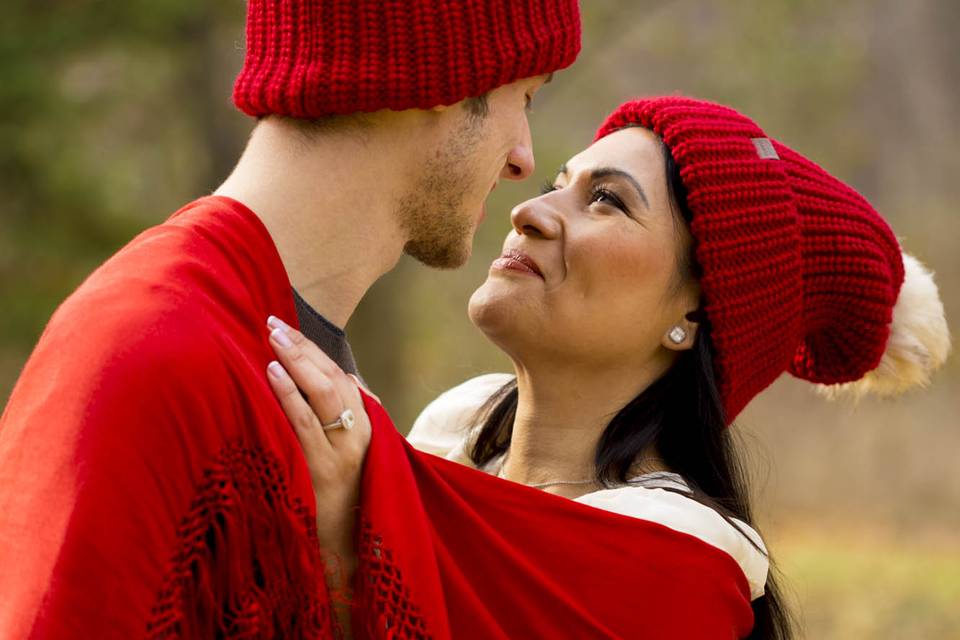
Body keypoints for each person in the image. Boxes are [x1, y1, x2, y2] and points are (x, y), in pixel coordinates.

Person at [264, 97, 950, 638]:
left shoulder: (670, 576)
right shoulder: (438, 449)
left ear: (695, 312)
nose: (529, 212)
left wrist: (347, 552)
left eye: (607, 201)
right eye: (561, 184)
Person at [0, 1, 581, 637]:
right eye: (521, 94)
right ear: (442, 78)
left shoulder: (299, 374)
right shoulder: (150, 352)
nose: (523, 158)